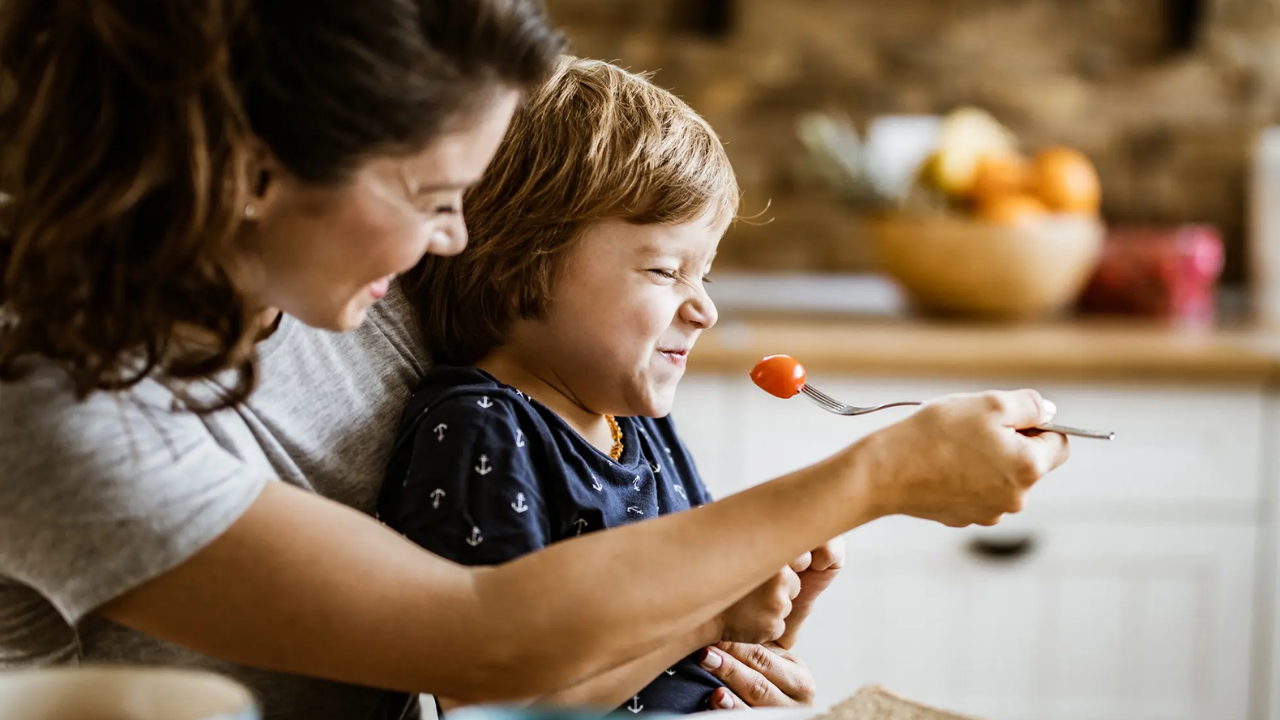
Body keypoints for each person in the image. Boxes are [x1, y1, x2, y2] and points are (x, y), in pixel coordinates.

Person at [0, 1, 1071, 719]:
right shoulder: (52, 410)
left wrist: (709, 611)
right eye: (431, 198)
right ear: (251, 170)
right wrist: (872, 474)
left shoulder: (360, 279)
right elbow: (481, 637)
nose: (456, 241)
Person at [379, 56, 841, 715]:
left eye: (703, 274)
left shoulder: (641, 425)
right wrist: (708, 617)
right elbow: (498, 705)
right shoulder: (480, 432)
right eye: (664, 271)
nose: (704, 308)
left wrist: (784, 598)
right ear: (521, 267)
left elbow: (709, 661)